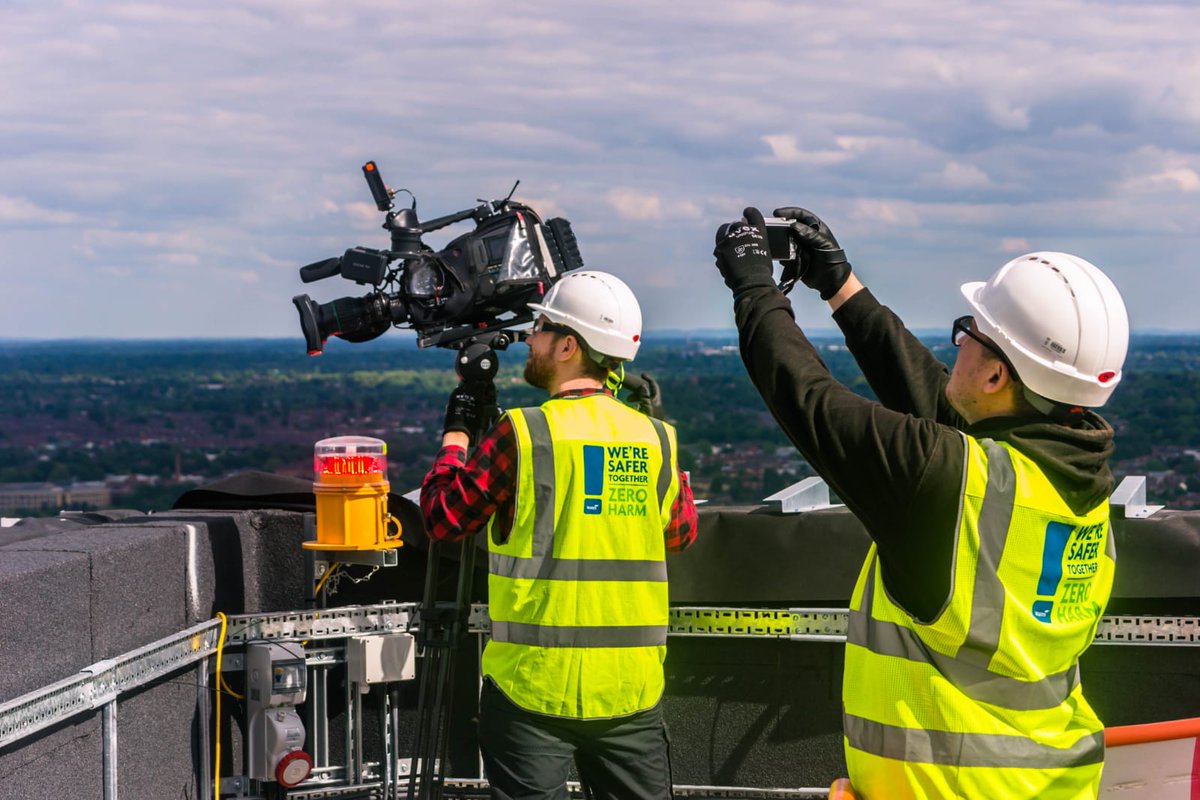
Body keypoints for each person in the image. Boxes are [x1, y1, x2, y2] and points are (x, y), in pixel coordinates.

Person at [712, 207, 1129, 799]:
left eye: (968, 333)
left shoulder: (949, 484)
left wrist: (754, 287)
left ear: (994, 377)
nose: (955, 346)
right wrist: (839, 285)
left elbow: (808, 399)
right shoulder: (1076, 480)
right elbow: (938, 400)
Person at [420, 269, 699, 800]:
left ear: (568, 345)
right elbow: (681, 533)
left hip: (531, 690)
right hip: (629, 691)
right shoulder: (657, 438)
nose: (530, 338)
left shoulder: (524, 433)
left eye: (541, 327)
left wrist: (457, 429)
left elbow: (442, 517)